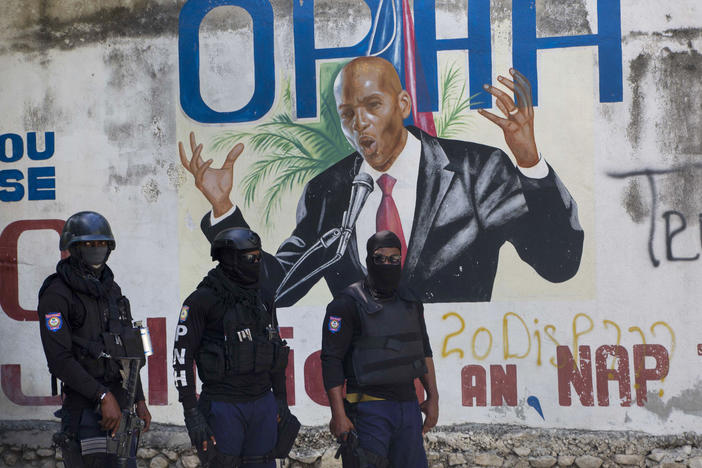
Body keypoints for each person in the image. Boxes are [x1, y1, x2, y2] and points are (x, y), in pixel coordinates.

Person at [179, 56, 583, 305]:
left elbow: (559, 264)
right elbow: (278, 288)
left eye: (373, 105)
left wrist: (529, 161)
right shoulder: (328, 191)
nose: (360, 124)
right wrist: (224, 211)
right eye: (348, 113)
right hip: (364, 385)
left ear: (402, 104)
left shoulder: (476, 170)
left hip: (456, 369)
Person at [173, 227, 297, 467]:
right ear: (230, 259)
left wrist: (281, 399)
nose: (257, 263)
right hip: (223, 406)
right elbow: (181, 357)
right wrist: (191, 413)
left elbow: (275, 350)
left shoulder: (262, 296)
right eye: (251, 258)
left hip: (262, 402)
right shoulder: (202, 301)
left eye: (259, 257)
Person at [38, 211, 151, 468]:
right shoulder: (56, 294)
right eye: (89, 244)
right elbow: (59, 360)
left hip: (121, 405)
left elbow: (128, 350)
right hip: (85, 410)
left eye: (101, 244)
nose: (96, 249)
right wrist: (102, 396)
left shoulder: (112, 290)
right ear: (73, 248)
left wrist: (139, 399)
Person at [321, 231, 438, 467]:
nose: (387, 264)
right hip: (368, 409)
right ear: (368, 261)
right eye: (380, 259)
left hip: (408, 406)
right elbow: (331, 359)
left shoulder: (410, 302)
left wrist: (433, 396)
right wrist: (338, 414)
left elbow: (423, 350)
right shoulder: (346, 304)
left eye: (394, 259)